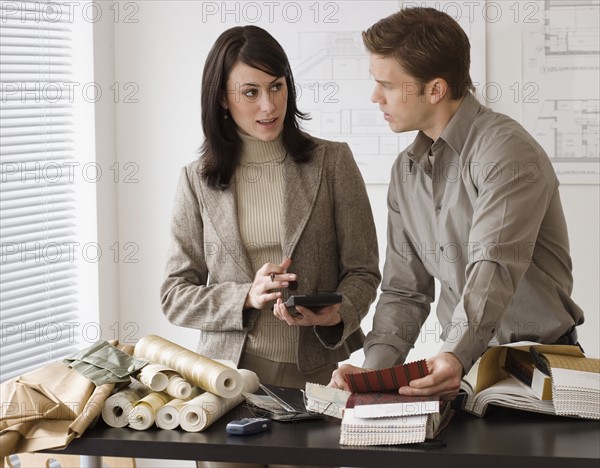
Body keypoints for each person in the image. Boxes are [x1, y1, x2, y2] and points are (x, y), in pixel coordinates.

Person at [330, 7, 585, 401]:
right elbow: (404, 292)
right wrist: (371, 374)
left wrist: (453, 353)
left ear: (435, 89)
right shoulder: (405, 172)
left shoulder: (506, 151)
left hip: (538, 368)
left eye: (388, 85)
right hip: (464, 370)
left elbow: (492, 265)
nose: (375, 96)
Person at [160, 25, 381, 392]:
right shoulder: (196, 181)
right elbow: (175, 295)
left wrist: (337, 312)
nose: (269, 105)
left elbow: (363, 272)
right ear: (222, 100)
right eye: (251, 92)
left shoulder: (333, 162)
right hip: (227, 376)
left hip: (317, 372)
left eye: (276, 86)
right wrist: (245, 295)